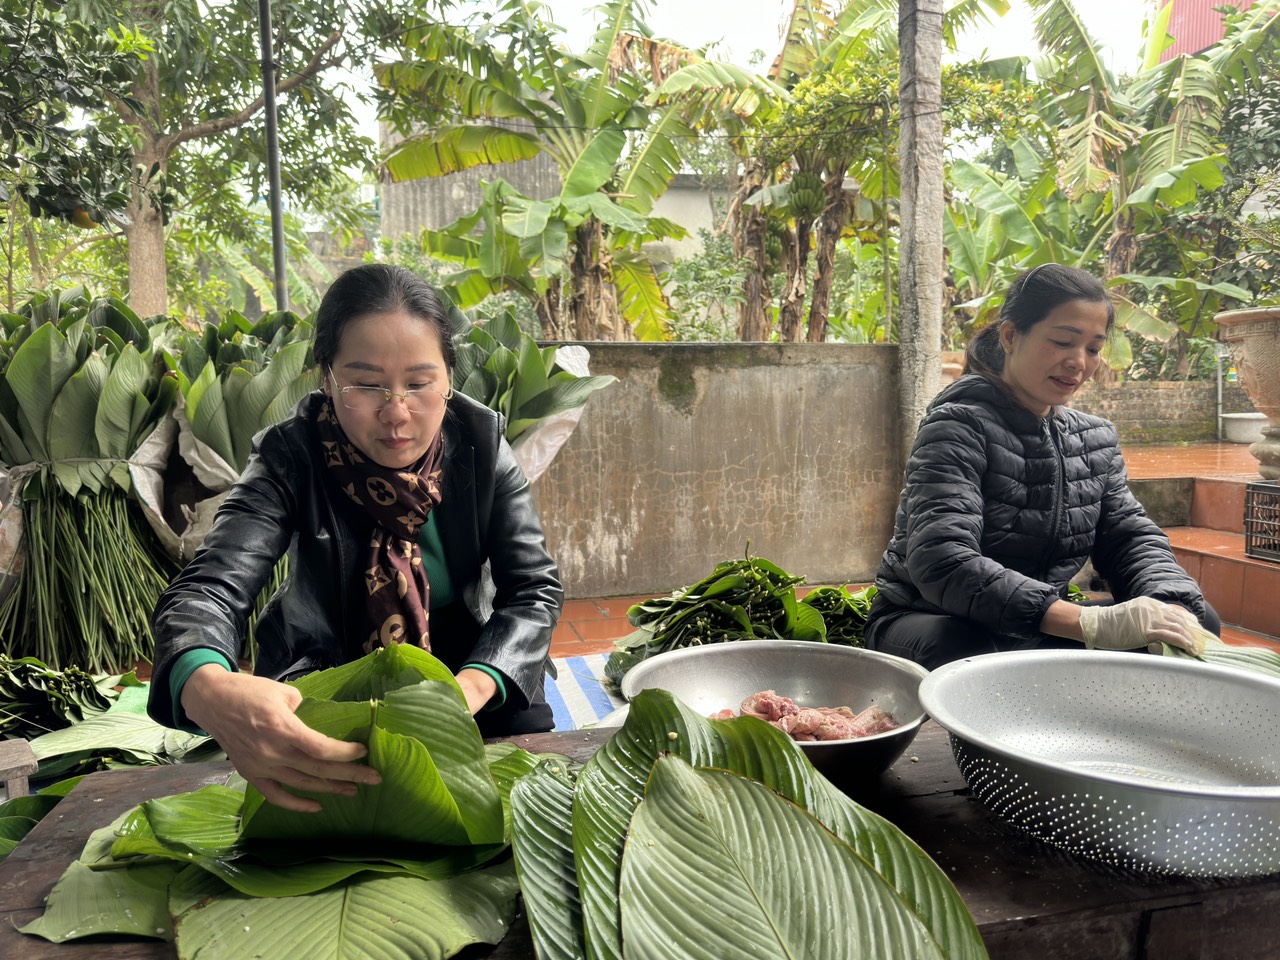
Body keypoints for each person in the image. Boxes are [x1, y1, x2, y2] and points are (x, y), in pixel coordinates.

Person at [147, 263, 563, 812]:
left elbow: (533, 590)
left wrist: (469, 691)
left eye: (419, 384)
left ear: (448, 379)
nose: (396, 413)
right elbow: (210, 586)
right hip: (327, 677)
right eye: (366, 385)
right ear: (327, 378)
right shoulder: (288, 456)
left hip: (468, 671)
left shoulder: (482, 444)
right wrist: (202, 679)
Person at [864, 263, 1218, 671]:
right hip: (931, 619)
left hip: (1040, 619)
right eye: (1063, 342)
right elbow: (943, 561)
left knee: (1193, 623)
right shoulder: (957, 427)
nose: (1078, 362)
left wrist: (1168, 601)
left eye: (1093, 348)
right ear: (1011, 336)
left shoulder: (1095, 438)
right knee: (965, 648)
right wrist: (1087, 621)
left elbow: (1128, 538)